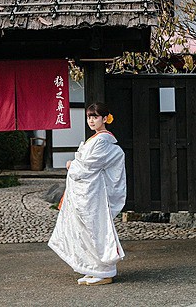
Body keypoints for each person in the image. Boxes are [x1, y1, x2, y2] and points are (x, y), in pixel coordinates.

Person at [48, 102, 127, 285]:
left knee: (94, 228)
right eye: (89, 117)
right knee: (84, 230)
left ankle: (104, 271)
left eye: (95, 117)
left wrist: (71, 165)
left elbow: (89, 165)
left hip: (94, 193)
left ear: (105, 118)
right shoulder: (96, 138)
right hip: (86, 192)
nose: (91, 120)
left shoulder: (103, 140)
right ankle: (92, 268)